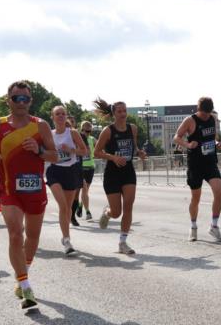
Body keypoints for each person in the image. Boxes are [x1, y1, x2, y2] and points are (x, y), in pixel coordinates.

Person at [0, 81, 58, 310]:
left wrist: (39, 150)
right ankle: (26, 286)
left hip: (35, 189)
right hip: (9, 191)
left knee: (32, 237)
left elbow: (55, 156)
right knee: (15, 234)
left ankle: (23, 273)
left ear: (30, 101)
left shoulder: (40, 126)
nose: (21, 103)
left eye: (25, 99)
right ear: (8, 100)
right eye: (16, 98)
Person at [93, 99, 147, 254]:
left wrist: (139, 153)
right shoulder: (108, 131)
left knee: (128, 206)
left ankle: (123, 243)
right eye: (119, 111)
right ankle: (107, 213)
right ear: (113, 114)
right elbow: (96, 152)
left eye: (125, 111)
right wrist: (113, 158)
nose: (123, 114)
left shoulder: (133, 128)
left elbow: (134, 146)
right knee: (117, 212)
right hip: (112, 173)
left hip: (128, 171)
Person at [174, 97, 221, 242]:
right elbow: (176, 137)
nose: (206, 116)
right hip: (195, 164)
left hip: (210, 162)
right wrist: (188, 145)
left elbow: (213, 137)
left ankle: (214, 226)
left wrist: (217, 143)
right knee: (196, 198)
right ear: (198, 109)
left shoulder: (212, 118)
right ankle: (193, 226)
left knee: (219, 193)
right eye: (204, 114)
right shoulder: (190, 120)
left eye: (208, 114)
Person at [46, 106, 88, 255]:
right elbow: (42, 152)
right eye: (57, 114)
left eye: (63, 114)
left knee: (68, 208)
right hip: (54, 171)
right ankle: (67, 240)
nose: (61, 116)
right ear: (52, 117)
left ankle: (65, 238)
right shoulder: (49, 134)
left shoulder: (73, 133)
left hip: (70, 171)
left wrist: (71, 150)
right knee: (63, 206)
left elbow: (85, 151)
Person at [76, 120, 97, 220]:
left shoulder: (92, 139)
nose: (87, 133)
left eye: (89, 131)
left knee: (85, 191)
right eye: (86, 131)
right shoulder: (77, 139)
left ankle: (80, 206)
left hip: (90, 168)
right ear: (82, 129)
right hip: (81, 168)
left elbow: (100, 148)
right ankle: (88, 212)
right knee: (84, 190)